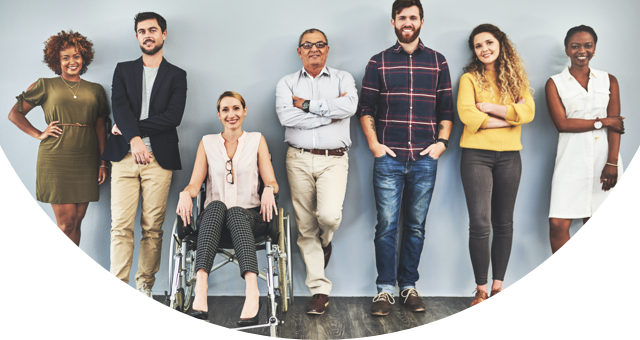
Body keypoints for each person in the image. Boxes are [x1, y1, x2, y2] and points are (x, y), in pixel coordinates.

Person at [357, 0, 454, 316]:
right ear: (393, 22)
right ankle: (385, 289)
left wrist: (441, 143)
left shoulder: (438, 62)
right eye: (402, 17)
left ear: (422, 21)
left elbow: (447, 110)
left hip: (426, 157)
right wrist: (374, 144)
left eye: (413, 17)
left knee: (415, 226)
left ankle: (409, 285)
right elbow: (366, 108)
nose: (407, 22)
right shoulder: (379, 62)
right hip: (389, 157)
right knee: (386, 225)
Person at [102, 12, 187, 298]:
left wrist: (128, 129)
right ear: (137, 36)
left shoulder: (177, 75)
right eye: (142, 31)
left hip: (158, 161)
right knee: (120, 227)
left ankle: (145, 287)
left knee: (153, 228)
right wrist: (135, 140)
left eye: (153, 30)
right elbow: (120, 106)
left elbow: (172, 117)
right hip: (124, 159)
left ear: (164, 34)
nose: (147, 35)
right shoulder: (123, 70)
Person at [176, 91, 279, 325]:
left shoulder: (256, 140)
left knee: (235, 212)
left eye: (236, 108)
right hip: (213, 222)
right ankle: (200, 289)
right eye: (225, 109)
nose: (231, 114)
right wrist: (185, 193)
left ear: (244, 111)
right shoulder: (207, 142)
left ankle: (252, 292)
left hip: (250, 217)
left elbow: (272, 181)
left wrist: (268, 189)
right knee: (217, 206)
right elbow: (195, 184)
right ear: (218, 114)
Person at [275, 28, 358, 315]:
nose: (314, 49)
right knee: (305, 224)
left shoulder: (343, 78)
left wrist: (308, 107)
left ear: (327, 49)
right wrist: (329, 115)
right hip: (297, 158)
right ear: (299, 51)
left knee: (328, 216)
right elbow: (286, 116)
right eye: (307, 45)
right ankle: (319, 290)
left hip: (334, 159)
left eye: (319, 44)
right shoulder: (286, 83)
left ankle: (326, 241)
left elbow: (350, 106)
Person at [457, 24, 535, 307]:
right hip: (476, 155)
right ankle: (480, 289)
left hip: (510, 156)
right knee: (479, 223)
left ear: (501, 44)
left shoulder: (517, 79)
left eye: (489, 43)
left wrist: (488, 109)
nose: (484, 49)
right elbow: (468, 116)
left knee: (504, 223)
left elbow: (529, 112)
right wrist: (510, 117)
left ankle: (498, 286)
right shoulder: (469, 79)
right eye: (478, 46)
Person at [8, 30, 109, 247]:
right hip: (56, 159)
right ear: (57, 60)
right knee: (66, 223)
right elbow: (14, 114)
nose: (72, 62)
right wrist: (39, 133)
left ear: (84, 58)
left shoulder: (96, 89)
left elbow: (101, 127)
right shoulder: (45, 84)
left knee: (77, 222)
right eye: (66, 57)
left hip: (87, 158)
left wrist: (103, 162)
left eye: (77, 56)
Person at [546, 25, 624, 254]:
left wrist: (612, 162)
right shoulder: (555, 83)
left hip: (605, 160)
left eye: (588, 45)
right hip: (571, 159)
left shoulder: (609, 80)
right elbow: (562, 124)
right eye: (576, 46)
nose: (582, 50)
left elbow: (616, 126)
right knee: (558, 224)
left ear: (594, 48)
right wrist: (604, 121)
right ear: (567, 50)